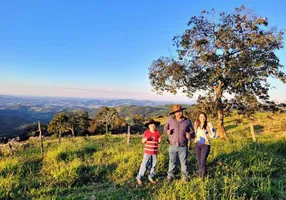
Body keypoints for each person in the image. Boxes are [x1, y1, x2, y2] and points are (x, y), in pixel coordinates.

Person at [164, 104, 194, 182]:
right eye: (177, 112)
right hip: (172, 145)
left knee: (184, 162)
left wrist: (190, 135)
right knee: (172, 161)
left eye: (180, 111)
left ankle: (184, 178)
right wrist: (167, 131)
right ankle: (170, 176)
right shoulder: (170, 120)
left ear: (182, 111)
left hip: (183, 145)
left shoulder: (187, 121)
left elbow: (192, 131)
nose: (179, 113)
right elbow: (165, 128)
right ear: (174, 113)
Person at [136, 119, 162, 185]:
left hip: (155, 152)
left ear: (155, 126)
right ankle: (139, 177)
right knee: (144, 164)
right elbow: (143, 141)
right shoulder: (146, 132)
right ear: (149, 126)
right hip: (147, 151)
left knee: (153, 165)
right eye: (151, 125)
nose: (153, 126)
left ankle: (150, 177)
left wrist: (159, 140)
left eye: (154, 125)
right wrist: (145, 139)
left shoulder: (158, 133)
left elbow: (159, 142)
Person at [193, 111, 216, 178]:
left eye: (203, 116)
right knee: (199, 161)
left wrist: (209, 131)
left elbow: (213, 136)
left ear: (206, 118)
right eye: (200, 117)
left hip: (205, 145)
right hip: (197, 145)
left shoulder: (209, 124)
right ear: (198, 118)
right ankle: (201, 173)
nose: (202, 118)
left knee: (203, 161)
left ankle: (202, 176)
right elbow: (194, 133)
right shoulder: (196, 124)